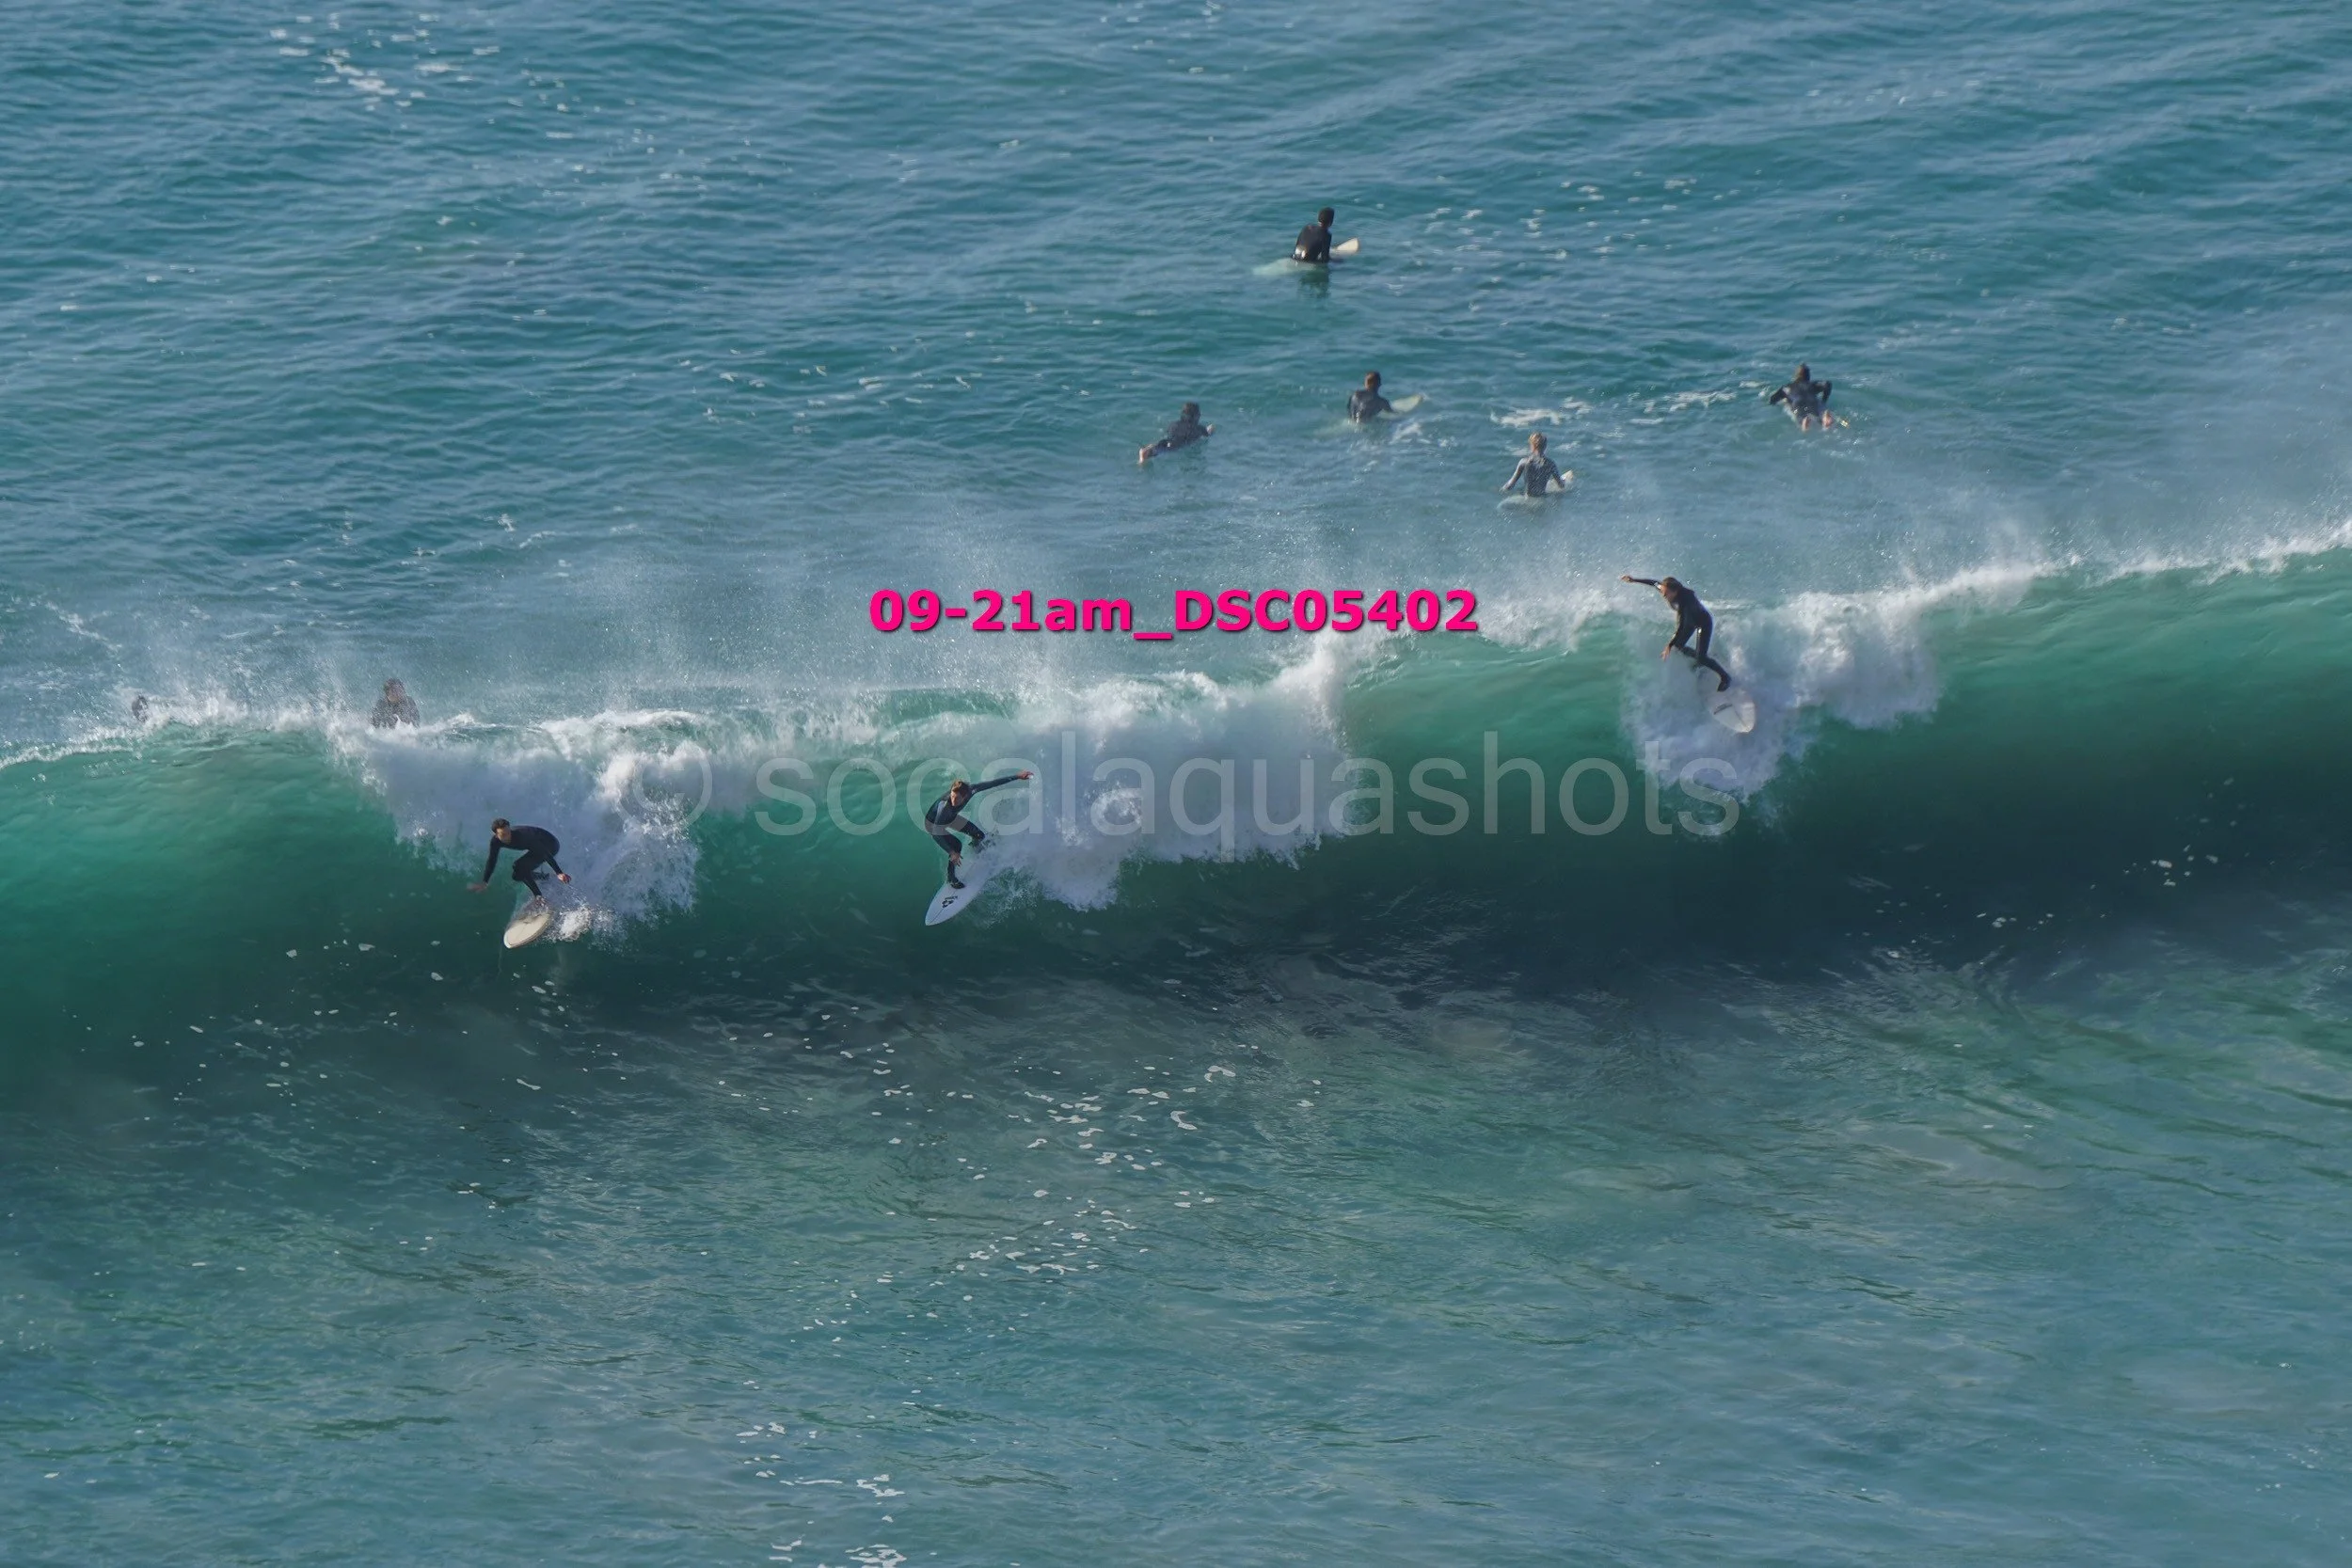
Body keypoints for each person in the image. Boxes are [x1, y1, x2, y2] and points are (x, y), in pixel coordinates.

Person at [1620, 575, 1732, 690]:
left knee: (1700, 657)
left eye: (1666, 593)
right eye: (1663, 591)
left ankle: (1725, 677)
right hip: (1690, 622)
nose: (1663, 595)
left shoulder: (1686, 603)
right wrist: (1634, 580)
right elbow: (1654, 583)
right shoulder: (1666, 589)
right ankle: (1700, 660)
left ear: (1675, 592)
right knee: (1679, 646)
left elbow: (1681, 626)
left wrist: (1669, 645)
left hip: (1703, 622)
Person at [925, 771, 1034, 889]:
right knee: (957, 846)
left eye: (957, 798)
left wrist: (1017, 776)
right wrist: (951, 852)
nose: (953, 800)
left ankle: (975, 847)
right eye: (952, 796)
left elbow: (992, 783)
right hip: (933, 825)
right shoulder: (945, 807)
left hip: (950, 817)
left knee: (978, 835)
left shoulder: (971, 790)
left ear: (966, 796)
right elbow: (936, 833)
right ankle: (951, 878)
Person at [469, 818, 570, 903]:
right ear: (495, 834)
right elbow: (492, 860)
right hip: (538, 848)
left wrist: (559, 872)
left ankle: (539, 897)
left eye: (508, 832)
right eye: (503, 835)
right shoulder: (495, 841)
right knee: (517, 876)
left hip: (550, 845)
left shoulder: (522, 836)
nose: (507, 836)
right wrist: (485, 882)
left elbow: (544, 852)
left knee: (519, 866)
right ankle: (547, 878)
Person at [1138, 403, 1214, 465]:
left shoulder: (1174, 424)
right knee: (1169, 450)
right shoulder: (1199, 428)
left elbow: (1167, 432)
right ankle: (1148, 453)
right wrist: (1210, 429)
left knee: (1161, 446)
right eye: (1198, 414)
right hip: (1176, 445)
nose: (1200, 415)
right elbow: (1208, 434)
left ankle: (1149, 450)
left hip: (1167, 441)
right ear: (1194, 417)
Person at [1767, 363, 1835, 431]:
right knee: (1817, 416)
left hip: (1797, 404)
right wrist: (1824, 400)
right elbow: (1827, 384)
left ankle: (1804, 422)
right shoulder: (1812, 385)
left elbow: (1772, 399)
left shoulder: (1786, 388)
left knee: (1800, 417)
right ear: (1808, 376)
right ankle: (1824, 418)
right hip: (1811, 401)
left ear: (1795, 375)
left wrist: (1778, 402)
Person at [1500, 432, 1566, 498]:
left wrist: (1500, 490)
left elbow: (1510, 485)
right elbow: (1561, 485)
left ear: (1532, 446)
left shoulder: (1524, 462)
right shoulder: (1551, 464)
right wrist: (1563, 481)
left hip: (1528, 498)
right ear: (1545, 446)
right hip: (1542, 499)